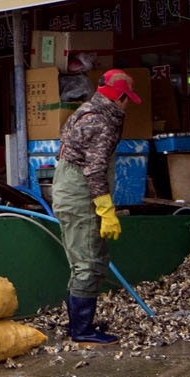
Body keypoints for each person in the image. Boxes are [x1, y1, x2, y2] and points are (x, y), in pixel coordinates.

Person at [52, 68, 140, 345]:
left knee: (88, 261)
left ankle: (80, 323)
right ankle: (81, 331)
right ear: (120, 97)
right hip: (80, 197)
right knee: (87, 264)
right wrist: (105, 209)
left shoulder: (85, 111)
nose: (128, 104)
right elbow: (94, 169)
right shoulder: (101, 121)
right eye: (128, 98)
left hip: (74, 192)